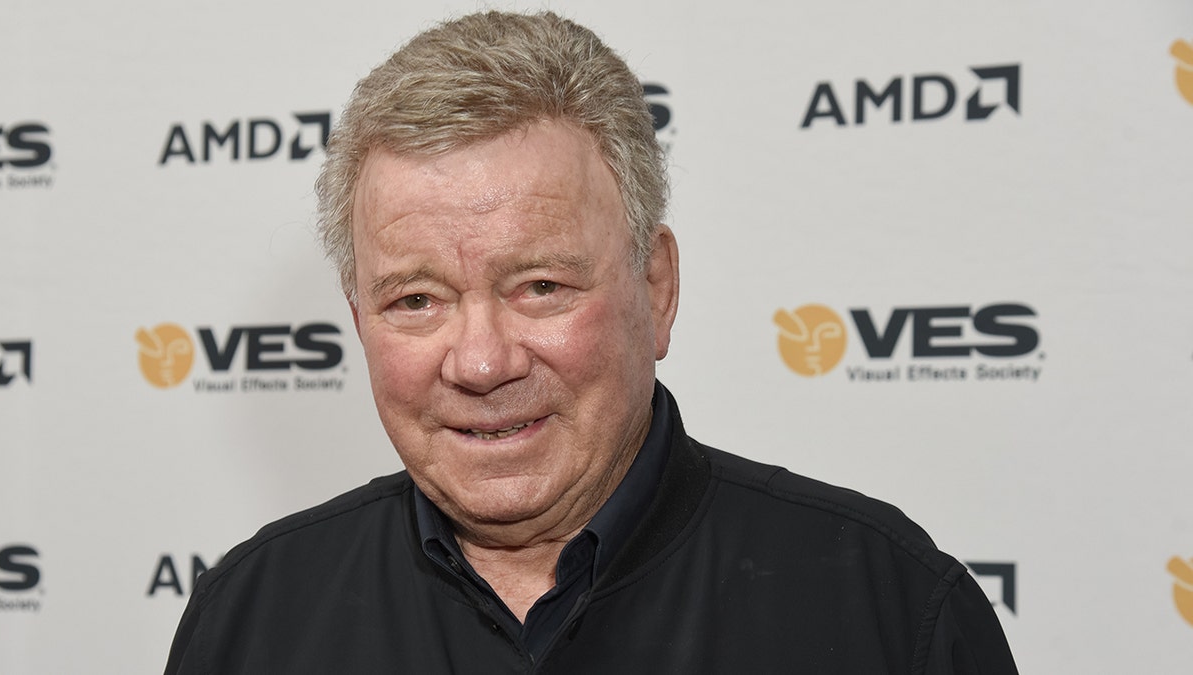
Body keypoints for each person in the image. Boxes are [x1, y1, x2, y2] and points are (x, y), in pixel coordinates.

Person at [164, 11, 1018, 674]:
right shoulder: (251, 618)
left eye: (541, 286)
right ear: (359, 320)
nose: (483, 361)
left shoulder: (887, 609)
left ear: (657, 287)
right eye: (416, 299)